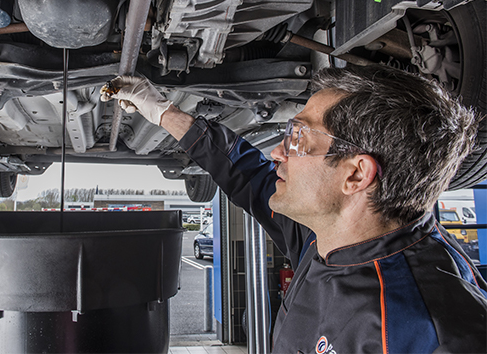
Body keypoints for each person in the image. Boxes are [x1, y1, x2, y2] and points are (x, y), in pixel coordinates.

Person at [101, 65, 487, 354]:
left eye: (298, 138)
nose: (277, 152)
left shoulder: (427, 334)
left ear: (355, 174)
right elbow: (245, 173)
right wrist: (160, 110)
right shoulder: (329, 235)